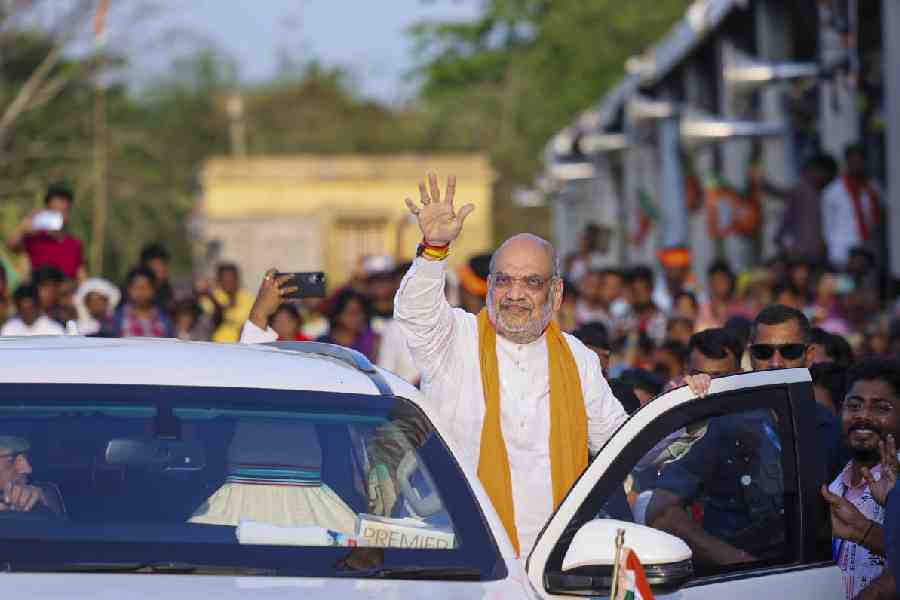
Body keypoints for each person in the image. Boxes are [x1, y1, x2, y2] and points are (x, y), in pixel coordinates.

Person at [394, 173, 626, 556]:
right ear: (488, 286)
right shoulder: (455, 340)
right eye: (504, 281)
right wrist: (434, 248)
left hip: (555, 565)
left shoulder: (577, 359)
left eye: (531, 282)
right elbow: (416, 313)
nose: (514, 295)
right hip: (467, 561)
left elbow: (617, 443)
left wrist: (686, 406)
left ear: (556, 293)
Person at [820, 359, 900, 600]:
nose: (863, 416)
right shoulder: (833, 486)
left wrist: (863, 531)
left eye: (881, 408)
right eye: (854, 406)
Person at [5, 185, 85, 281]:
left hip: (66, 293)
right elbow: (11, 245)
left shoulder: (74, 244)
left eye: (63, 211)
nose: (59, 216)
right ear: (46, 211)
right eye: (54, 211)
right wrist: (23, 227)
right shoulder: (34, 238)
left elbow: (81, 274)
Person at [768, 154, 836, 265]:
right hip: (801, 257)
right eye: (819, 171)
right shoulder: (801, 192)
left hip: (823, 257)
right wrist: (790, 251)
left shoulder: (829, 194)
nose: (822, 176)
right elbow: (781, 232)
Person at [822, 145, 882, 269]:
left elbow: (877, 219)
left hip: (867, 251)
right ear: (847, 162)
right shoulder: (833, 191)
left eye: (860, 161)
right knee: (845, 286)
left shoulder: (872, 188)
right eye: (854, 161)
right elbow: (827, 226)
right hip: (842, 253)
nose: (858, 165)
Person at [317, 289, 379, 362]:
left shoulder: (373, 341)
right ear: (337, 315)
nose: (360, 317)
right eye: (353, 313)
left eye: (362, 312)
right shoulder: (321, 344)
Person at [0, 436, 57, 515]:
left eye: (26, 457)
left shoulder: (46, 491)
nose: (28, 469)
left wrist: (41, 505)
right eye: (11, 460)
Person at [111, 267, 174, 338]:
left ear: (154, 290)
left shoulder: (164, 320)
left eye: (145, 288)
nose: (140, 292)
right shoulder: (118, 318)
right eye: (136, 287)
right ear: (128, 289)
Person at [202, 263, 254, 343]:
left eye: (231, 277)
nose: (228, 281)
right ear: (218, 280)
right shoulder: (211, 298)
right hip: (215, 345)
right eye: (224, 278)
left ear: (237, 279)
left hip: (243, 346)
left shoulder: (248, 298)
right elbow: (210, 318)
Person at [0, 284, 64, 336]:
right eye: (24, 309)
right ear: (18, 308)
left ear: (38, 306)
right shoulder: (8, 329)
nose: (27, 313)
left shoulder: (54, 330)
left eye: (30, 308)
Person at [697, 260, 740, 331]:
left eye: (723, 280)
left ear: (730, 281)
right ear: (710, 283)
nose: (720, 285)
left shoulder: (741, 308)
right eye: (716, 281)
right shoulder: (703, 310)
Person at [139, 243, 175, 314]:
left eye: (163, 264)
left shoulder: (169, 291)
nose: (161, 269)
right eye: (156, 265)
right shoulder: (133, 294)